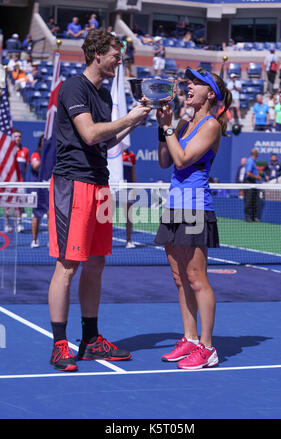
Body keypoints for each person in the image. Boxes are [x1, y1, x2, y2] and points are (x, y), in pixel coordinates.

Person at [47, 28, 151, 372]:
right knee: (68, 265)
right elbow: (90, 133)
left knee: (96, 264)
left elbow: (104, 143)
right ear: (97, 55)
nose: (119, 59)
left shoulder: (104, 95)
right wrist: (127, 118)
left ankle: (90, 340)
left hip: (99, 184)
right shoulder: (74, 86)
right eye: (115, 54)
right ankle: (60, 344)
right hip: (73, 183)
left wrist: (134, 122)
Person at [154, 67, 232, 369]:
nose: (189, 86)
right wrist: (164, 128)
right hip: (174, 205)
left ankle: (208, 347)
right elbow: (165, 160)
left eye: (196, 84)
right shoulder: (185, 123)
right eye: (189, 82)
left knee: (198, 279)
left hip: (196, 208)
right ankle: (189, 338)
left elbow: (183, 159)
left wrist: (170, 129)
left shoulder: (211, 125)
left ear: (209, 94)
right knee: (179, 278)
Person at [4, 129, 29, 233]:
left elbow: (26, 167)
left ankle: (19, 223)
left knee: (19, 203)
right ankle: (7, 223)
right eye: (16, 136)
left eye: (19, 136)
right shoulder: (7, 151)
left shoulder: (25, 151)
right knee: (8, 203)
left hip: (20, 182)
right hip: (9, 182)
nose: (17, 138)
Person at [30, 135, 47, 248]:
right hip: (37, 188)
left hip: (49, 188)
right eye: (43, 141)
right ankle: (34, 240)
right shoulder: (36, 155)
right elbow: (35, 166)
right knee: (37, 215)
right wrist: (46, 159)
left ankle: (53, 241)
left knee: (52, 215)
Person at [122, 148, 137, 248]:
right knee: (107, 215)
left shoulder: (131, 156)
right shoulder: (113, 155)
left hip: (128, 188)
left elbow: (133, 173)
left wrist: (134, 188)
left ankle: (128, 240)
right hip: (114, 186)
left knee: (128, 215)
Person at [244, 148, 261, 222]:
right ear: (255, 154)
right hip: (249, 182)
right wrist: (256, 177)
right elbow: (248, 173)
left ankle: (254, 217)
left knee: (254, 200)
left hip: (253, 183)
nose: (258, 154)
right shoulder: (250, 161)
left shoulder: (253, 161)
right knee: (249, 200)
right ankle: (248, 217)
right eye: (257, 153)